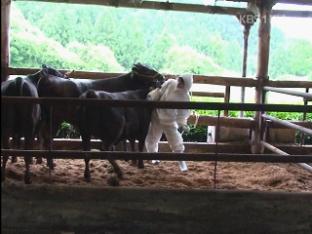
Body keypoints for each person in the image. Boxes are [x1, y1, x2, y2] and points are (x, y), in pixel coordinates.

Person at [145, 74, 193, 172]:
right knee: (152, 137)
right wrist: (151, 97)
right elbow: (159, 91)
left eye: (182, 82)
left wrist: (182, 124)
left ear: (187, 84)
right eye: (179, 80)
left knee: (176, 141)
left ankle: (181, 162)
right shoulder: (171, 83)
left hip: (170, 121)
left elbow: (182, 114)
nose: (179, 83)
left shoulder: (185, 97)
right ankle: (153, 157)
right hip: (157, 115)